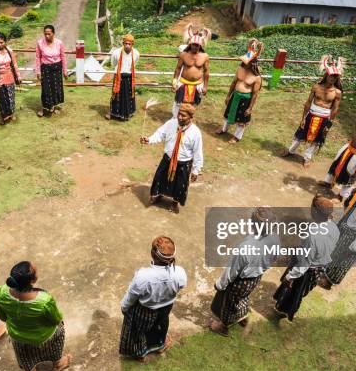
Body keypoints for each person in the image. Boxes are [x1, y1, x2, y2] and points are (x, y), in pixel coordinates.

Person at [208, 208, 280, 336]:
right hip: (255, 278)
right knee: (243, 297)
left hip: (240, 281)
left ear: (253, 224)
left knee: (229, 303)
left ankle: (223, 327)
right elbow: (274, 258)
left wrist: (220, 284)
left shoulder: (245, 248)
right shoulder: (275, 239)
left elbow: (231, 271)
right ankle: (243, 317)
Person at [0, 262, 72, 371]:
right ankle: (57, 364)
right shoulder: (44, 301)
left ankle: (30, 370)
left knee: (24, 356)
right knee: (59, 329)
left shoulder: (1, 293)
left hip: (19, 339)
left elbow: (2, 317)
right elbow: (55, 319)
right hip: (44, 337)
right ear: (33, 281)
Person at [119, 236, 186, 361]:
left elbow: (131, 296)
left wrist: (124, 307)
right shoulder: (180, 273)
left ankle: (140, 353)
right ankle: (160, 345)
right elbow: (181, 286)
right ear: (172, 256)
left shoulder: (143, 276)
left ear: (152, 254)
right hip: (166, 308)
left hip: (145, 310)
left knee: (139, 331)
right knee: (161, 325)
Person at [273, 196, 339, 321]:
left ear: (314, 212)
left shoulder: (311, 235)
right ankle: (287, 307)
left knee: (293, 293)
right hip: (319, 267)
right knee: (299, 293)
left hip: (305, 270)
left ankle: (284, 310)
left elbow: (303, 264)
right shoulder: (334, 228)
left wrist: (290, 276)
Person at [282, 55, 344, 167]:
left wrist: (329, 124)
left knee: (316, 140)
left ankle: (307, 157)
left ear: (337, 79)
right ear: (326, 75)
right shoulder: (316, 87)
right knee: (300, 134)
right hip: (311, 114)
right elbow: (308, 103)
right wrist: (303, 118)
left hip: (324, 118)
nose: (332, 79)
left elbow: (335, 109)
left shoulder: (337, 92)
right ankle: (291, 151)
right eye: (331, 76)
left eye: (335, 77)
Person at [140, 104, 203, 213]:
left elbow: (198, 152)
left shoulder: (195, 133)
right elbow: (160, 134)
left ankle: (174, 203)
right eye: (179, 114)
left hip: (183, 163)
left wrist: (196, 170)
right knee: (160, 178)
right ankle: (159, 195)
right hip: (168, 159)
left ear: (190, 118)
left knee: (179, 185)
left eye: (183, 116)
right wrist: (149, 140)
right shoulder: (171, 123)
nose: (180, 117)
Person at [215, 38, 263, 143]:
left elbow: (255, 94)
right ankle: (224, 128)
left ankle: (237, 137)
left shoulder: (257, 78)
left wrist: (250, 108)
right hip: (235, 95)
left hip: (246, 99)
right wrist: (228, 95)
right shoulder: (240, 69)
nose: (244, 63)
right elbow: (233, 83)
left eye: (246, 62)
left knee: (242, 119)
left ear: (252, 64)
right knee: (228, 113)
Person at [171, 26, 210, 118]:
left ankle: (188, 118)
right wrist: (174, 81)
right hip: (183, 82)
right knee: (178, 102)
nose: (195, 47)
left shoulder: (205, 56)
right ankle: (174, 119)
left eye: (197, 45)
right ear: (190, 44)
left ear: (200, 45)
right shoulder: (183, 55)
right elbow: (178, 68)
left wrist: (205, 86)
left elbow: (206, 72)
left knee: (194, 103)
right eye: (193, 44)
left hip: (198, 84)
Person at [0, 32, 22, 125]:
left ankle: (11, 113)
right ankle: (2, 116)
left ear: (5, 42)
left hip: (10, 77)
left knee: (11, 97)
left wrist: (18, 76)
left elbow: (14, 64)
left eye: (1, 42)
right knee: (1, 98)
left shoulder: (9, 51)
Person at [105, 34, 140, 121]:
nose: (127, 45)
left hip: (129, 77)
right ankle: (115, 113)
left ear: (132, 44)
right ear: (123, 43)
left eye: (129, 44)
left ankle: (128, 113)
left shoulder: (136, 53)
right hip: (119, 76)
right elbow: (113, 64)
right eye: (126, 43)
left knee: (128, 96)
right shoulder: (116, 52)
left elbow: (135, 63)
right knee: (116, 95)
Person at [35, 24, 67, 117]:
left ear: (53, 33)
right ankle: (45, 108)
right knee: (45, 88)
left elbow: (63, 57)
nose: (46, 36)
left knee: (56, 88)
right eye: (45, 34)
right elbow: (37, 57)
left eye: (49, 34)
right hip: (45, 68)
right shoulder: (40, 43)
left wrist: (65, 70)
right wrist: (38, 71)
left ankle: (55, 106)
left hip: (57, 68)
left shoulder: (59, 43)